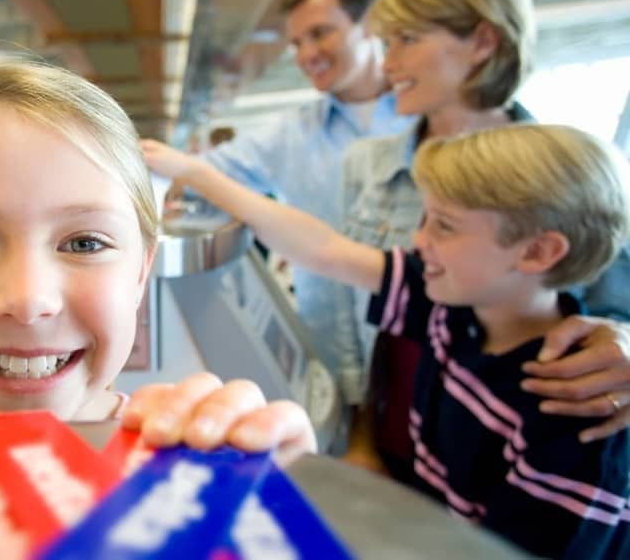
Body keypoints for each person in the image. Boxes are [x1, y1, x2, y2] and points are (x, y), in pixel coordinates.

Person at [144, 121, 630, 558]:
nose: (419, 240)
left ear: (538, 251)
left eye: (444, 225)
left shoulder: (573, 412)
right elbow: (327, 250)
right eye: (425, 218)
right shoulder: (447, 303)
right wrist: (195, 172)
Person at [0, 59, 315, 456]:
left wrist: (289, 508)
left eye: (85, 243)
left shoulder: (191, 466)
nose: (28, 302)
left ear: (142, 271)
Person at [336, 0, 630, 469]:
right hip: (395, 438)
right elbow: (348, 314)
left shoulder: (568, 179)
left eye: (406, 38)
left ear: (483, 41)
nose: (388, 62)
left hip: (502, 467)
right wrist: (357, 431)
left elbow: (616, 304)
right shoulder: (367, 165)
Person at [190, 0, 414, 386]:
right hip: (330, 361)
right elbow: (208, 174)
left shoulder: (431, 119)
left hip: (417, 360)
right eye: (296, 43)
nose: (306, 53)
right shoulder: (290, 135)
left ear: (369, 25)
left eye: (320, 33)